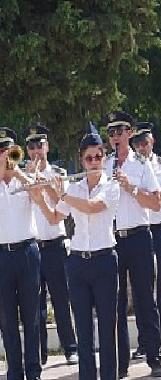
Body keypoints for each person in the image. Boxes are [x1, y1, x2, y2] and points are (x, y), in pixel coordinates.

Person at [31, 122, 120, 380]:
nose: (94, 162)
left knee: (106, 330)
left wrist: (61, 193)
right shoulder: (75, 188)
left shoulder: (111, 185)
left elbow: (93, 207)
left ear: (103, 158)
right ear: (82, 161)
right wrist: (41, 196)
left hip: (104, 261)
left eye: (98, 157)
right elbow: (54, 217)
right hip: (78, 263)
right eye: (89, 158)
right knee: (83, 331)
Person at [103, 111, 161, 378]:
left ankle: (154, 357)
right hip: (113, 239)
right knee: (115, 302)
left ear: (129, 133)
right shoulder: (104, 164)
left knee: (144, 299)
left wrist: (131, 188)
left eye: (120, 132)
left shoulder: (141, 165)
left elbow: (155, 202)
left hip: (138, 236)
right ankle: (120, 363)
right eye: (111, 133)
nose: (115, 137)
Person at [23, 123, 79, 366]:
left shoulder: (59, 173)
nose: (36, 150)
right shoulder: (22, 175)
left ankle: (70, 348)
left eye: (40, 145)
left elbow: (63, 208)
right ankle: (40, 352)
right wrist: (27, 177)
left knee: (61, 299)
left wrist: (46, 184)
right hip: (33, 245)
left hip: (55, 243)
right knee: (36, 305)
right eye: (31, 146)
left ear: (47, 147)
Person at [0, 126, 42, 380]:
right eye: (1, 151)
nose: (6, 156)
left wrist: (20, 176)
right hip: (2, 256)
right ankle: (14, 371)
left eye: (9, 151)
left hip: (27, 251)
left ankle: (33, 371)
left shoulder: (25, 177)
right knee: (6, 318)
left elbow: (39, 197)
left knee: (32, 316)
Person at [131, 122, 161, 356]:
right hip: (141, 229)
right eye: (137, 143)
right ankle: (145, 341)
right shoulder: (132, 166)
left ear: (152, 142)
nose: (141, 147)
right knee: (142, 289)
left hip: (159, 228)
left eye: (144, 142)